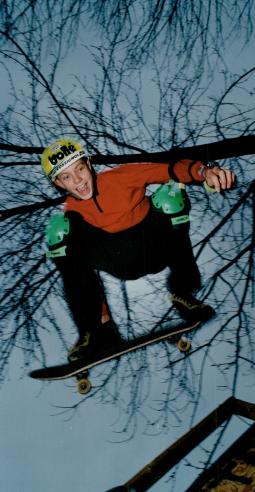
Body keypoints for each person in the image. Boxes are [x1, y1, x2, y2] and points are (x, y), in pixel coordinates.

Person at [41, 138, 236, 362]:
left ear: (89, 164)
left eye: (80, 169)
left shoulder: (120, 177)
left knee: (170, 195)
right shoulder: (72, 211)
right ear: (58, 183)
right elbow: (75, 268)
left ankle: (182, 292)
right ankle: (98, 330)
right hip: (116, 258)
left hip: (153, 245)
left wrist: (205, 172)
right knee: (58, 232)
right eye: (67, 177)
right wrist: (101, 317)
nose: (78, 181)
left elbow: (170, 169)